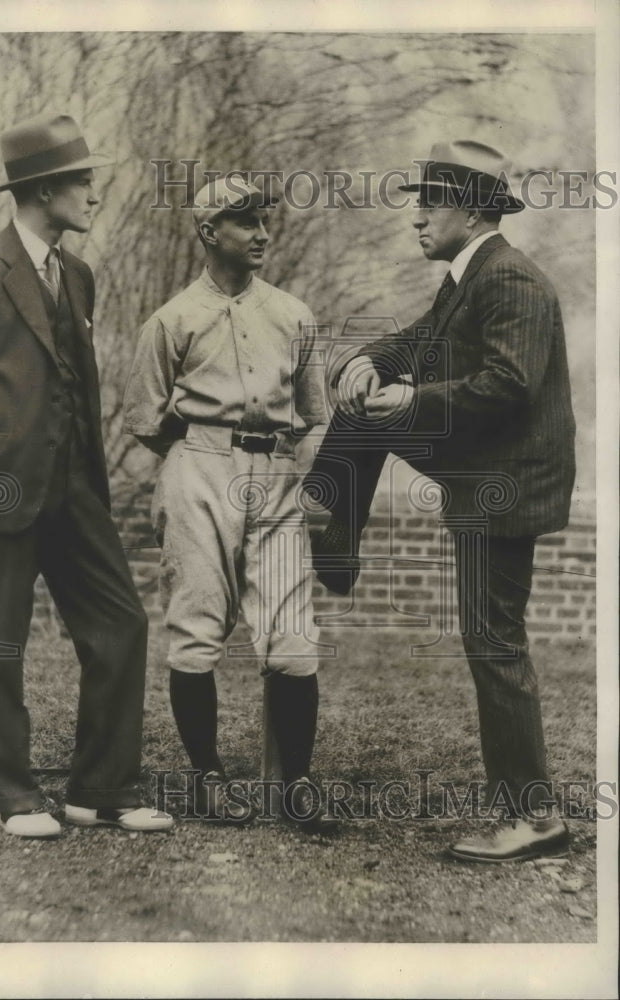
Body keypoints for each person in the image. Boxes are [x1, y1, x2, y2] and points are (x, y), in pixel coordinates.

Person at [304, 140, 576, 861]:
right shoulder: (471, 276)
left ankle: (533, 817)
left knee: (494, 643)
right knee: (362, 410)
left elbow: (509, 384)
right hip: (486, 471)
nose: (417, 217)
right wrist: (370, 361)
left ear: (473, 210)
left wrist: (410, 400)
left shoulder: (508, 279)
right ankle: (335, 537)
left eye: (431, 203)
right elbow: (424, 338)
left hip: (506, 487)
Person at [0, 113, 172, 838]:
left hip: (75, 489)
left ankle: (101, 790)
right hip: (1, 488)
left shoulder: (77, 276)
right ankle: (12, 796)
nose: (94, 194)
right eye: (83, 181)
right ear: (44, 191)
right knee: (1, 641)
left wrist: (88, 476)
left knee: (121, 623)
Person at [122, 177, 336, 832]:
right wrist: (196, 457)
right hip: (200, 467)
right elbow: (145, 418)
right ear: (209, 232)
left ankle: (296, 784)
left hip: (276, 471)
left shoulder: (293, 314)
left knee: (293, 637)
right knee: (197, 627)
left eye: (264, 220)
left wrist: (302, 477)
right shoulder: (173, 319)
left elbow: (315, 413)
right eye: (245, 222)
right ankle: (208, 778)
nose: (262, 233)